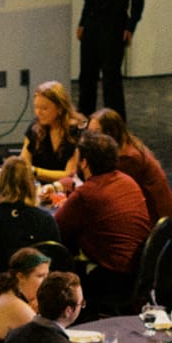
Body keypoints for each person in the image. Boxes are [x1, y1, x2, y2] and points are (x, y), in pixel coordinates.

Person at [51, 129, 152, 308]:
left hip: (110, 279)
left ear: (84, 163)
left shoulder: (86, 194)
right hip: (135, 272)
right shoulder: (127, 181)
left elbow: (56, 229)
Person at [88, 109, 172, 232]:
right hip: (153, 218)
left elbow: (109, 194)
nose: (90, 139)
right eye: (89, 132)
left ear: (110, 134)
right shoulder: (125, 145)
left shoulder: (128, 159)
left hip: (158, 226)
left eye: (96, 133)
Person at [0, 155, 56, 283]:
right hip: (35, 288)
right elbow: (56, 262)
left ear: (2, 184)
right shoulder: (46, 220)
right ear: (31, 184)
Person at [21, 81, 83, 181]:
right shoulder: (35, 127)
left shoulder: (75, 131)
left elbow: (70, 174)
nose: (38, 113)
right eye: (36, 107)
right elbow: (24, 163)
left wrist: (35, 171)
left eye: (44, 108)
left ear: (60, 108)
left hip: (66, 187)